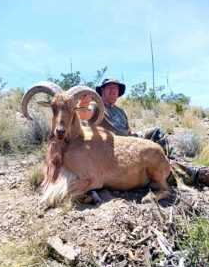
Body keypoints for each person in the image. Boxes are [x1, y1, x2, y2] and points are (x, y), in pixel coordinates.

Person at [78, 77, 209, 187]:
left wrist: (135, 138)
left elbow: (128, 130)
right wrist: (83, 105)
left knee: (156, 132)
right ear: (102, 90)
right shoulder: (97, 106)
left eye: (115, 87)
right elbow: (84, 115)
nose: (113, 90)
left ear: (118, 92)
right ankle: (189, 174)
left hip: (129, 139)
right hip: (116, 145)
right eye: (109, 87)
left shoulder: (121, 112)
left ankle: (170, 160)